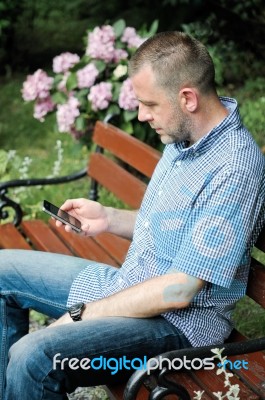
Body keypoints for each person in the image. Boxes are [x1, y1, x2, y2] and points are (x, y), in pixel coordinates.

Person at [0, 31, 265, 400]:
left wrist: (83, 314)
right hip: (132, 283)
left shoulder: (235, 168)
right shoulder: (184, 136)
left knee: (34, 357)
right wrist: (108, 218)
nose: (142, 115)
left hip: (176, 325)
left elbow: (180, 290)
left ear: (187, 98)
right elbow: (171, 224)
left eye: (149, 104)